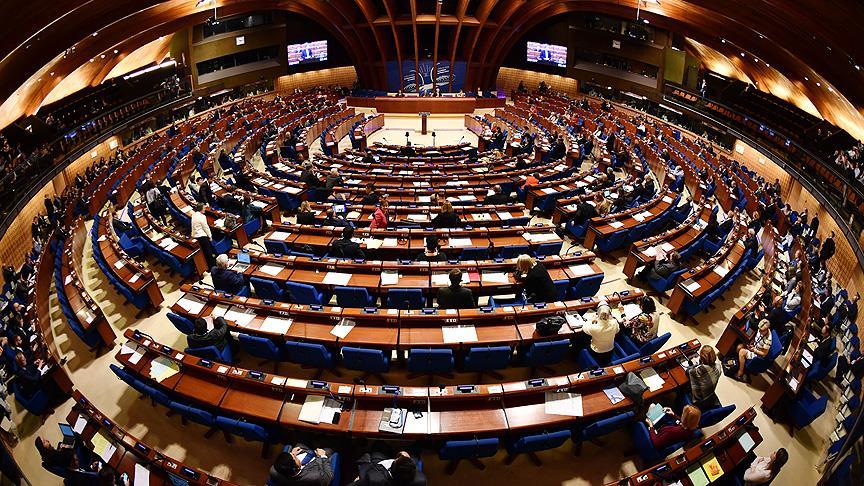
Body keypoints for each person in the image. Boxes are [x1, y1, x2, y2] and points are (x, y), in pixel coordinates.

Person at [348, 449, 426, 486]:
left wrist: (357, 481)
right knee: (415, 453)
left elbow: (357, 482)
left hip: (378, 466)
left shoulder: (374, 478)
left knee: (378, 448)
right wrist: (406, 459)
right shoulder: (420, 480)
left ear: (390, 468)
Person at [268, 443, 334, 486]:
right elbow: (328, 477)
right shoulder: (315, 476)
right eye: (295, 457)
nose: (294, 455)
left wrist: (292, 453)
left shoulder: (274, 471)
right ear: (296, 468)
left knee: (299, 445)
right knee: (328, 450)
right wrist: (323, 456)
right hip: (317, 465)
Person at [687, 345, 722, 410]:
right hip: (710, 394)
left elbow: (688, 371)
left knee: (682, 390)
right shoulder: (718, 367)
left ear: (701, 358)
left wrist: (693, 364)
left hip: (699, 401)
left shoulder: (697, 371)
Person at [190, 203, 216, 269]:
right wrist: (210, 236)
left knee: (204, 252)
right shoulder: (202, 217)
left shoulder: (194, 214)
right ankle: (212, 267)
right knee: (208, 252)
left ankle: (207, 266)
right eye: (204, 208)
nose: (205, 209)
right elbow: (206, 227)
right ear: (201, 209)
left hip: (195, 235)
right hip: (202, 236)